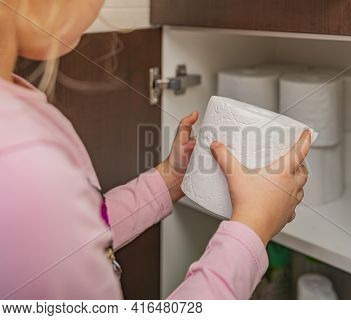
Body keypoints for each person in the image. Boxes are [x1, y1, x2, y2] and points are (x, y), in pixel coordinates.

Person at [0, 0, 311, 299]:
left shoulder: (17, 114)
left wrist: (168, 181)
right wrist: (251, 229)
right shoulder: (26, 163)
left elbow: (68, 240)